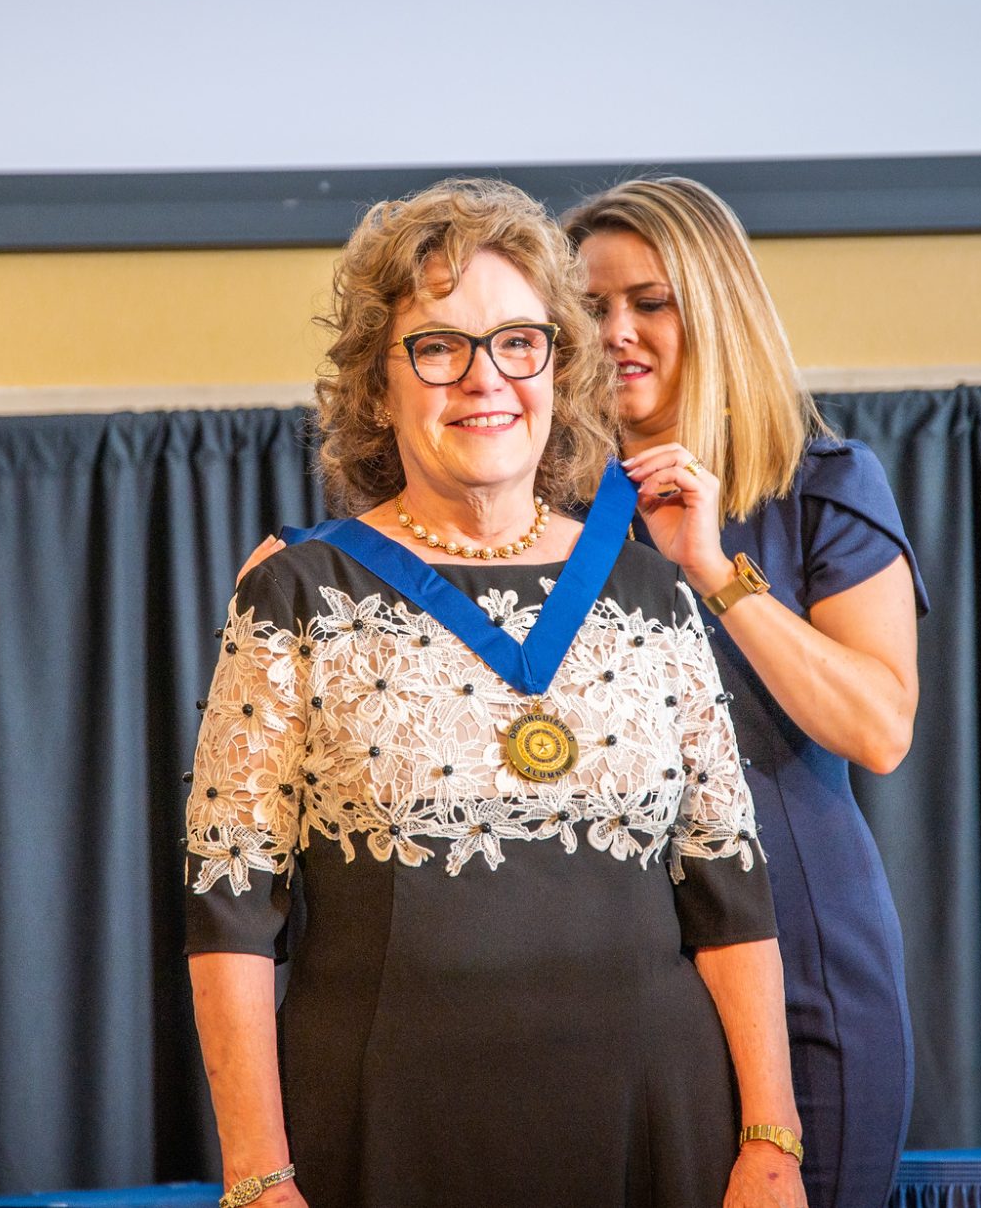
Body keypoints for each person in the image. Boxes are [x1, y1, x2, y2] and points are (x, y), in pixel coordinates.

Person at [186, 178, 809, 1208]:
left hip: (655, 1125)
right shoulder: (297, 591)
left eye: (518, 341)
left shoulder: (651, 589)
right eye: (438, 346)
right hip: (384, 1127)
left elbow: (730, 894)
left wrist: (770, 1140)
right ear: (377, 387)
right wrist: (255, 1176)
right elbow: (229, 915)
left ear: (557, 369)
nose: (485, 378)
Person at [564, 177, 926, 1208]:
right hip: (601, 978)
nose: (616, 332)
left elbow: (877, 724)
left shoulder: (819, 481)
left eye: (650, 301)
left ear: (712, 308)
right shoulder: (538, 510)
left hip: (805, 963)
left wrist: (715, 568)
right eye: (589, 307)